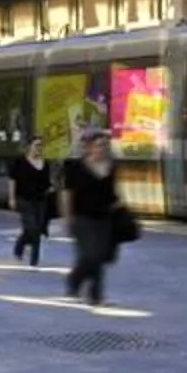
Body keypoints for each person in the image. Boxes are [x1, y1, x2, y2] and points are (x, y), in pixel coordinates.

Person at [59, 128, 128, 304]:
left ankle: (95, 296)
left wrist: (120, 206)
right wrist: (67, 218)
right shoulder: (74, 167)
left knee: (100, 256)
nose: (102, 148)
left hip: (105, 217)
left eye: (105, 145)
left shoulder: (111, 167)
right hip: (82, 218)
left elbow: (112, 192)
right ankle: (74, 282)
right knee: (90, 255)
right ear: (88, 147)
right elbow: (67, 194)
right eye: (98, 145)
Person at [7, 136, 56, 267]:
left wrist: (51, 188)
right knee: (31, 227)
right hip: (24, 199)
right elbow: (12, 180)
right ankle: (20, 245)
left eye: (41, 145)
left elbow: (46, 182)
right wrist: (11, 198)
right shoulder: (20, 162)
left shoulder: (45, 164)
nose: (39, 148)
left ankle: (34, 259)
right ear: (30, 146)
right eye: (36, 145)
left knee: (38, 228)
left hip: (40, 200)